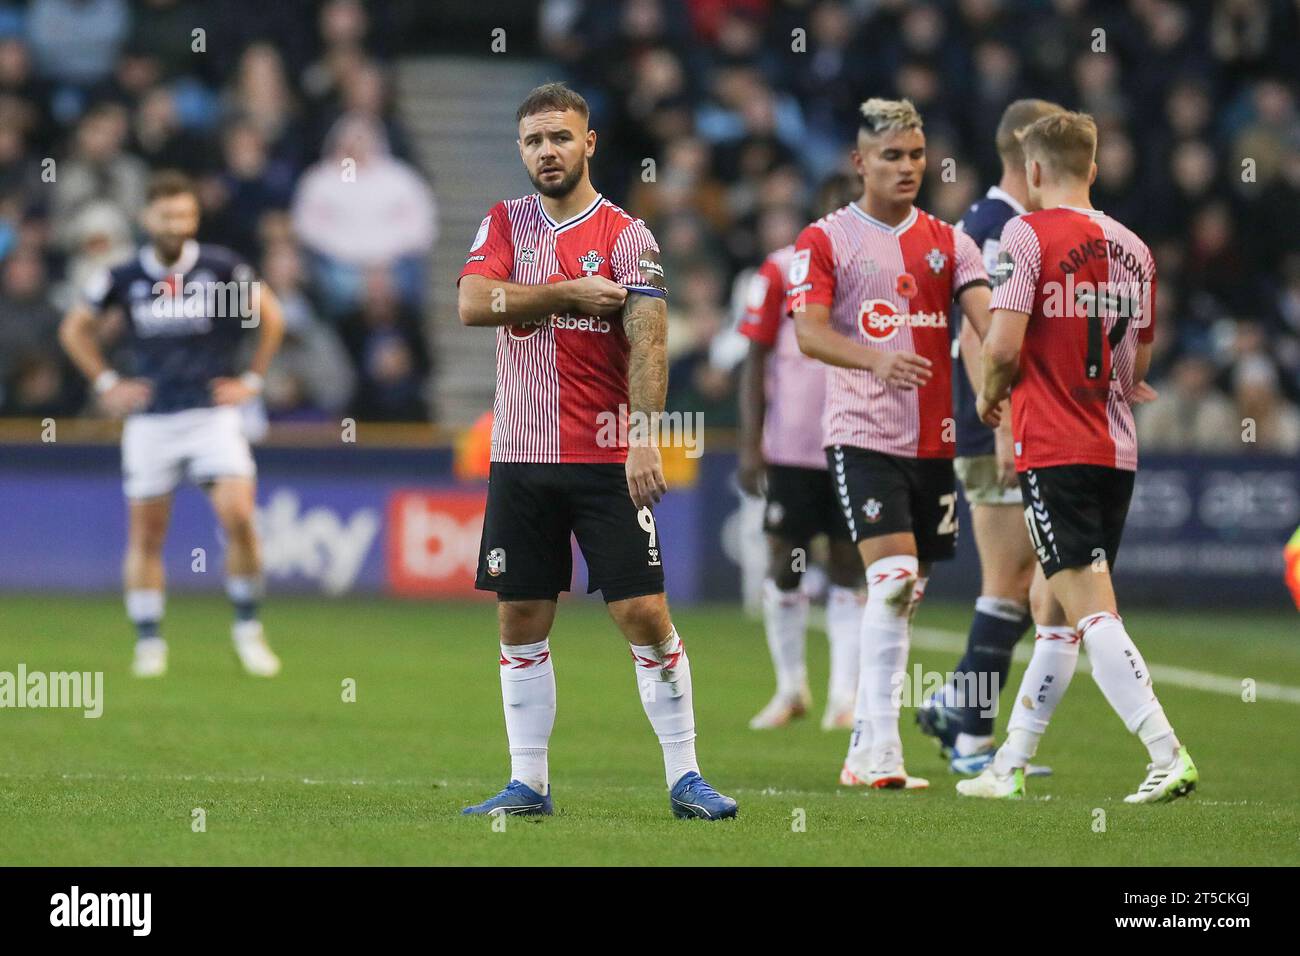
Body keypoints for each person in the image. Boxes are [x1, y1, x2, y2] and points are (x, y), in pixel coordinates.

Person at [456, 83, 736, 820]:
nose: (546, 151)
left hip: (603, 453)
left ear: (589, 143)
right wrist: (565, 294)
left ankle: (686, 776)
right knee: (520, 620)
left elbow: (647, 341)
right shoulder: (504, 224)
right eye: (533, 141)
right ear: (522, 151)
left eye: (559, 137)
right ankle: (529, 783)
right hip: (520, 455)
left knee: (643, 612)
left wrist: (645, 436)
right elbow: (471, 304)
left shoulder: (626, 236)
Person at [959, 111, 1197, 802]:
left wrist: (989, 398)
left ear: (1032, 172)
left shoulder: (1025, 235)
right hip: (1115, 448)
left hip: (1054, 448)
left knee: (1089, 608)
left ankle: (1165, 750)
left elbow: (1001, 346)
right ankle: (1008, 766)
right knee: (1051, 608)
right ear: (1091, 168)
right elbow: (1139, 362)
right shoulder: (1135, 247)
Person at [791, 98, 994, 789]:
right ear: (860, 163)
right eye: (892, 157)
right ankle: (880, 749)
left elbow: (991, 327)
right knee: (893, 579)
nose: (909, 167)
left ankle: (863, 753)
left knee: (906, 595)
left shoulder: (951, 241)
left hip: (935, 441)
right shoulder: (824, 240)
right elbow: (809, 333)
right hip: (863, 434)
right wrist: (876, 360)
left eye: (915, 154)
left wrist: (1006, 378)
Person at [58, 170, 285, 679]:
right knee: (147, 536)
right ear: (146, 218)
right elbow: (74, 329)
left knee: (240, 519)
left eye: (184, 214)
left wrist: (252, 378)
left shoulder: (221, 267)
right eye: (166, 215)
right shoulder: (121, 276)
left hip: (212, 414)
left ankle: (248, 630)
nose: (175, 224)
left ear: (194, 218)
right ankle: (149, 642)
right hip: (151, 420)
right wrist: (106, 383)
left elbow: (272, 316)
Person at [915, 99, 1067, 774]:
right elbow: (981, 332)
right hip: (992, 424)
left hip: (999, 420)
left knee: (1024, 577)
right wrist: (999, 422)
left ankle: (957, 706)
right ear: (1029, 159)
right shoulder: (996, 225)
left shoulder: (1002, 222)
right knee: (1011, 579)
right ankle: (970, 733)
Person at [737, 184, 864, 732]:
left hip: (856, 442)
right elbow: (754, 358)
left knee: (846, 564)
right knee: (783, 563)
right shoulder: (779, 270)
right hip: (791, 446)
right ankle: (791, 688)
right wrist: (750, 442)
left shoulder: (873, 274)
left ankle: (844, 696)